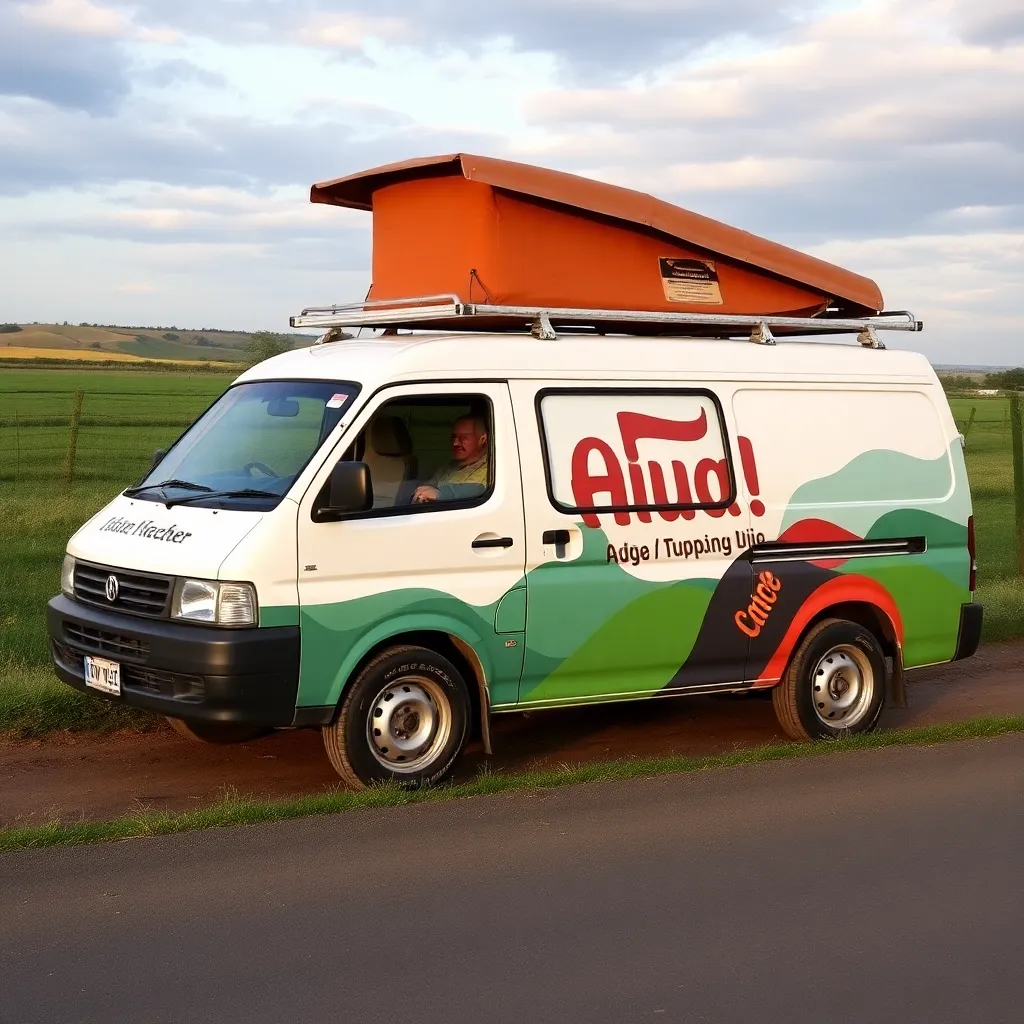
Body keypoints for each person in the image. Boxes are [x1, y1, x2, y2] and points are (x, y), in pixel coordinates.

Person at [412, 414, 489, 503]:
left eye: (463, 438)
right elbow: (425, 488)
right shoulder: (448, 467)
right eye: (453, 437)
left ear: (482, 439)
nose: (455, 443)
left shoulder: (493, 469)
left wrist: (441, 494)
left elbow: (481, 491)